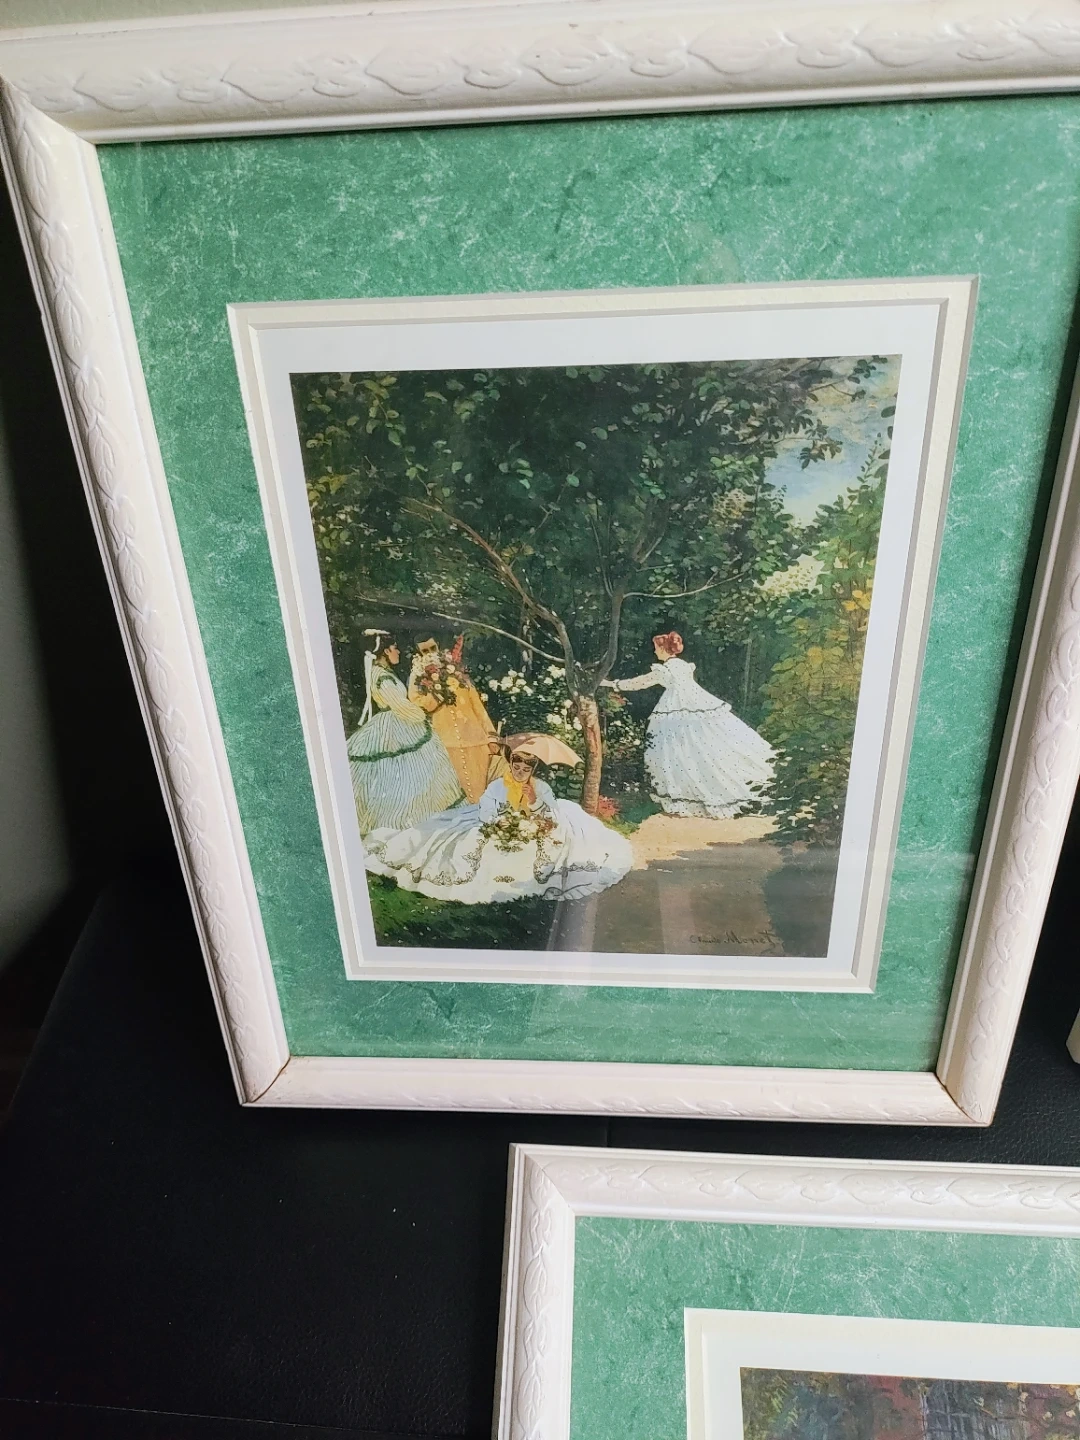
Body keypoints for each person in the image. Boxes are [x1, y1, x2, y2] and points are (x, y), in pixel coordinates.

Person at [363, 747, 632, 905]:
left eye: (527, 767)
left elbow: (550, 813)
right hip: (502, 824)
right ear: (511, 763)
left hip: (531, 824)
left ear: (533, 769)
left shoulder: (540, 787)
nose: (520, 770)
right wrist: (502, 821)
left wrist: (533, 801)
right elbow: (486, 810)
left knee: (549, 844)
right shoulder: (497, 786)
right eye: (517, 764)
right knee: (469, 840)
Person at [603, 630, 774, 819]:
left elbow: (639, 683)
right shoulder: (684, 666)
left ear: (664, 649)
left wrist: (611, 684)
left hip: (678, 706)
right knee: (697, 747)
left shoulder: (664, 670)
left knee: (679, 749)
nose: (655, 651)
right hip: (697, 702)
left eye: (657, 648)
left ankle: (691, 794)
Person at [346, 634, 463, 835]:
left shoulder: (383, 672)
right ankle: (401, 820)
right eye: (394, 648)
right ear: (385, 651)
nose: (398, 651)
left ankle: (421, 813)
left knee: (420, 771)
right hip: (393, 725)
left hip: (399, 721)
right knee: (401, 773)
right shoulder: (381, 676)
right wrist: (421, 713)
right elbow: (399, 705)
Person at [408, 637, 507, 802]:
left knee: (482, 791)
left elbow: (477, 707)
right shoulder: (419, 677)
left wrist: (491, 736)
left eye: (432, 648)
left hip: (475, 741)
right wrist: (435, 692)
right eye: (425, 651)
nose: (430, 654)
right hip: (446, 743)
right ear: (419, 653)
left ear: (438, 646)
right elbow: (417, 702)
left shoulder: (457, 672)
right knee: (456, 794)